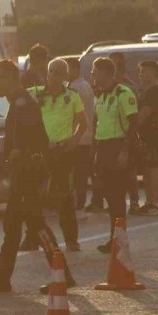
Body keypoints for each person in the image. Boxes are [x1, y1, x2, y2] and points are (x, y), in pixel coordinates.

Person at [0, 59, 76, 294]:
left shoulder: (22, 104)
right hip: (23, 175)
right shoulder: (17, 103)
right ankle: (2, 277)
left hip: (27, 176)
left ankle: (62, 273)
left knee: (35, 224)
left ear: (11, 78)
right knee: (12, 226)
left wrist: (16, 158)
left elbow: (29, 143)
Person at [27, 58, 87, 252]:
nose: (52, 76)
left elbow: (82, 123)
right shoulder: (34, 94)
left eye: (58, 73)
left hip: (62, 151)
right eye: (50, 71)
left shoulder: (72, 96)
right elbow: (13, 112)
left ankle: (71, 239)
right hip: (40, 151)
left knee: (64, 197)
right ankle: (32, 237)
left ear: (64, 76)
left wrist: (75, 140)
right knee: (33, 196)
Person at [91, 57, 139, 253]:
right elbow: (99, 126)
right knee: (109, 198)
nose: (92, 75)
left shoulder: (123, 93)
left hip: (118, 147)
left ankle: (119, 240)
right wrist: (96, 154)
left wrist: (125, 152)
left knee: (118, 198)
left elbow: (133, 124)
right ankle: (114, 238)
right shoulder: (101, 96)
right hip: (103, 148)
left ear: (105, 72)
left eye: (95, 71)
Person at [112, 52, 141, 214]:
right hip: (110, 136)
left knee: (130, 172)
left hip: (126, 135)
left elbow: (134, 118)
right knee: (113, 173)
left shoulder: (129, 87)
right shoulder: (107, 87)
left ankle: (135, 201)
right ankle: (116, 202)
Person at [136, 60, 158, 216]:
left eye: (145, 71)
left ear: (154, 72)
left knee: (153, 169)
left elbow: (145, 113)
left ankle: (154, 203)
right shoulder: (148, 90)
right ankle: (149, 202)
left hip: (152, 135)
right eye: (141, 71)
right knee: (147, 170)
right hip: (146, 135)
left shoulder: (154, 91)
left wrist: (132, 124)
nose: (142, 75)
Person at [68, 57, 95, 212]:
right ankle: (79, 202)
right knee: (80, 172)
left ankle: (78, 203)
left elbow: (73, 113)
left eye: (69, 69)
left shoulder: (77, 88)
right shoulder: (82, 85)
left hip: (78, 137)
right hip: (83, 136)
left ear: (76, 69)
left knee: (78, 173)